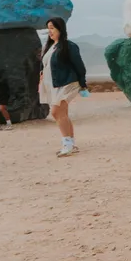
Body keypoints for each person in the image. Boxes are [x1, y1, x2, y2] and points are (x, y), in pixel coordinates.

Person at [40, 18, 88, 157]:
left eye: (53, 28)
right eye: (48, 28)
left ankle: (66, 144)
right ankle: (71, 143)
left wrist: (83, 83)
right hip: (53, 84)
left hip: (67, 82)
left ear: (60, 29)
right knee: (62, 113)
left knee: (56, 112)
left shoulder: (68, 46)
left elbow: (79, 65)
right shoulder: (49, 47)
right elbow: (44, 65)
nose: (50, 31)